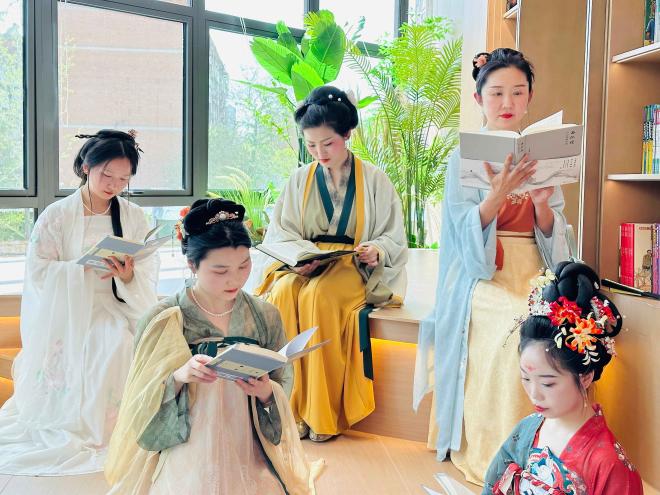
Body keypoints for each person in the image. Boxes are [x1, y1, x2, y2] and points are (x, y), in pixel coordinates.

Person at [413, 48, 571, 483]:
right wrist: (496, 197)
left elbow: (559, 243)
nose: (507, 103)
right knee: (516, 325)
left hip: (535, 269)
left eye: (518, 92)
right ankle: (500, 452)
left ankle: (553, 451)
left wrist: (542, 204)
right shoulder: (462, 158)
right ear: (479, 98)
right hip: (483, 275)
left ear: (530, 98)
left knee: (559, 321)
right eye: (497, 92)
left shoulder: (539, 153)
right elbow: (462, 237)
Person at [105, 198, 320, 494]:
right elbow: (140, 399)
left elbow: (283, 381)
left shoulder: (265, 315)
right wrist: (180, 376)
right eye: (220, 271)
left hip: (247, 446)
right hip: (187, 449)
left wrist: (266, 392)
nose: (235, 279)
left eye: (244, 265)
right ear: (192, 264)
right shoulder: (165, 317)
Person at [252, 85, 408, 442]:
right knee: (283, 293)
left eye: (328, 144)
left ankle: (322, 414)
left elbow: (393, 236)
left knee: (319, 297)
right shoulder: (299, 180)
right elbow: (282, 233)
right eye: (311, 146)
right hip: (306, 263)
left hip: (352, 264)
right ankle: (290, 408)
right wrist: (296, 262)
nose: (319, 153)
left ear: (347, 134)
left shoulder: (375, 179)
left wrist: (376, 250)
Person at [0, 130, 159, 475]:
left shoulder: (132, 215)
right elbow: (38, 271)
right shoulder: (57, 215)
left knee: (118, 341)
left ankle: (115, 428)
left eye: (123, 179)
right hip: (69, 311)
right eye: (107, 175)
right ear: (86, 167)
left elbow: (146, 270)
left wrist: (127, 275)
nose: (114, 185)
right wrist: (79, 268)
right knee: (95, 343)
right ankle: (79, 425)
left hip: (116, 304)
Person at [483, 261, 643, 495]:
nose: (534, 394)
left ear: (585, 376)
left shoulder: (609, 464)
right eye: (526, 379)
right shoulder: (528, 429)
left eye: (547, 383)